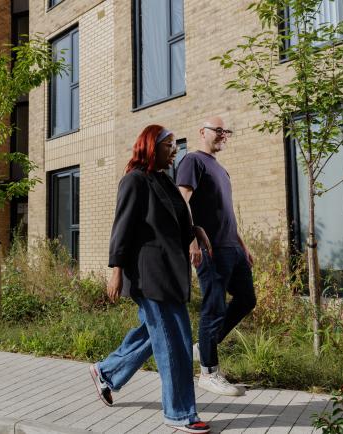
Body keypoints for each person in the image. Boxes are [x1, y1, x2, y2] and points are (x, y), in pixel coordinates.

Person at [89, 125, 210, 434]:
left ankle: (107, 371)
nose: (174, 149)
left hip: (170, 274)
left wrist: (196, 231)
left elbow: (179, 226)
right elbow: (123, 228)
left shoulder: (165, 183)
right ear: (150, 147)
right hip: (149, 275)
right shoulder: (134, 181)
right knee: (176, 344)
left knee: (154, 335)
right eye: (168, 144)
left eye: (174, 145)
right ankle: (179, 413)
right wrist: (115, 270)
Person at [176, 116, 256, 397]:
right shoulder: (193, 161)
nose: (224, 135)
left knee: (247, 299)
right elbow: (181, 201)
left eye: (227, 131)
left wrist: (242, 244)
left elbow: (226, 213)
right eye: (218, 130)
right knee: (214, 307)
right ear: (202, 132)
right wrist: (192, 239)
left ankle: (203, 347)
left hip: (231, 247)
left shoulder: (221, 170)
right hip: (210, 248)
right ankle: (208, 373)